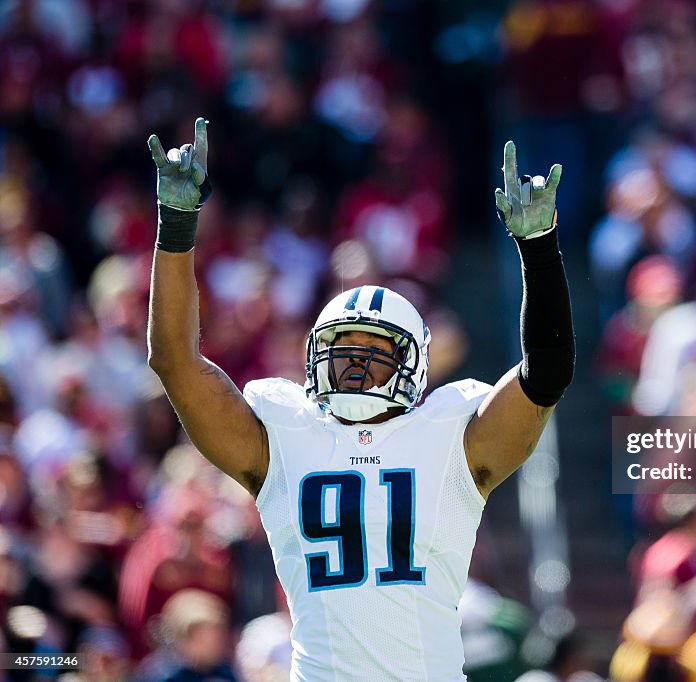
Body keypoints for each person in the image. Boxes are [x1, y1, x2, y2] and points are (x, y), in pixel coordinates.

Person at [145, 118, 575, 680]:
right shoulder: (285, 433)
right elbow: (174, 363)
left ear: (414, 363)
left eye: (376, 351)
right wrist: (175, 229)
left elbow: (546, 373)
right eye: (343, 350)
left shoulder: (453, 438)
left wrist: (539, 251)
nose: (356, 365)